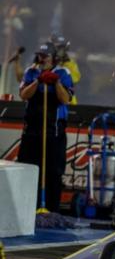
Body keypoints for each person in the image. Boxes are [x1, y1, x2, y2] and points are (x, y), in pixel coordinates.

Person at [17, 42, 74, 212]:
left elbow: (65, 99)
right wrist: (38, 80)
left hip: (53, 133)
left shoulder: (64, 73)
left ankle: (50, 210)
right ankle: (25, 209)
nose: (41, 59)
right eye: (40, 55)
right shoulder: (30, 72)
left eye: (45, 56)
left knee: (52, 173)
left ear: (53, 57)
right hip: (32, 132)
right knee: (27, 171)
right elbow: (23, 95)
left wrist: (55, 83)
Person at [51, 35, 81, 104]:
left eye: (60, 48)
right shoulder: (46, 63)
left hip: (68, 103)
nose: (57, 50)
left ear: (65, 49)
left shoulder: (71, 64)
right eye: (56, 47)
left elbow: (73, 80)